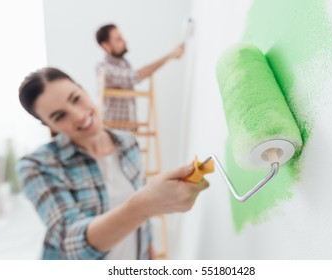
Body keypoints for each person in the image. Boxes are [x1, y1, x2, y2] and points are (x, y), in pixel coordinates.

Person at [17, 67, 209, 260]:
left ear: (83, 89)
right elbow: (72, 246)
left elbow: (143, 226)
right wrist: (145, 204)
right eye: (60, 116)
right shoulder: (36, 166)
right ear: (48, 125)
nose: (78, 115)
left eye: (76, 98)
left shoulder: (128, 144)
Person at [96, 23, 185, 129]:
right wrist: (170, 56)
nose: (124, 41)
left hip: (129, 130)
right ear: (106, 46)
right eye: (118, 39)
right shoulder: (104, 68)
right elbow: (134, 77)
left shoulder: (125, 64)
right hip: (112, 131)